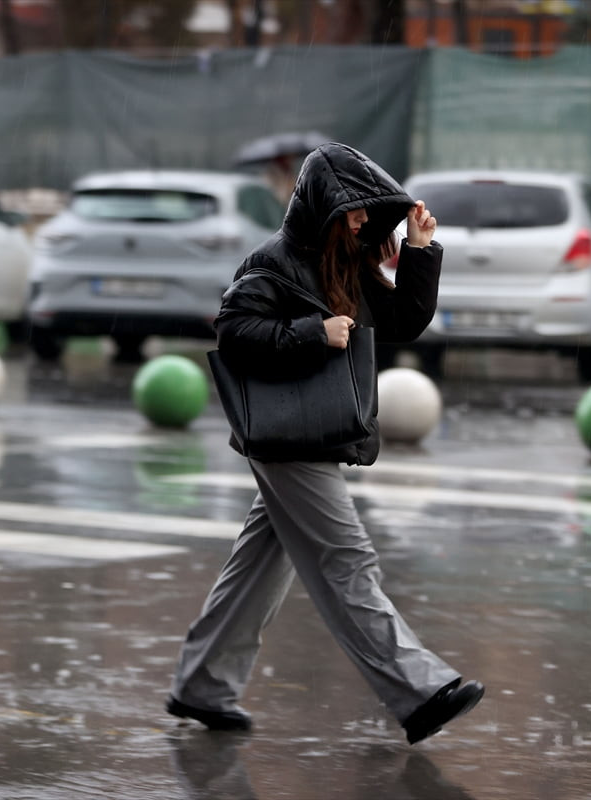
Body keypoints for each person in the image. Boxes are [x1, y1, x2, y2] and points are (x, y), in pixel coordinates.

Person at [166, 142, 484, 745]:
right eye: (356, 211)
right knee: (346, 557)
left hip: (310, 427)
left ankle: (202, 685)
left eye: (369, 212)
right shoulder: (275, 262)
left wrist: (419, 251)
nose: (364, 220)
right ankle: (417, 689)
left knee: (260, 567)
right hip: (287, 433)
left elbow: (399, 323)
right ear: (325, 207)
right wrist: (313, 332)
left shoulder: (347, 263)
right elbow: (234, 332)